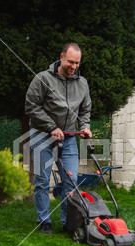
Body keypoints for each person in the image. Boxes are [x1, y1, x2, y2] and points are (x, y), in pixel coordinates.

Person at [25, 43, 92, 234]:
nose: (73, 66)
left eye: (77, 63)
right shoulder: (43, 78)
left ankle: (67, 222)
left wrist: (85, 126)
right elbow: (31, 106)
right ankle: (44, 220)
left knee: (70, 182)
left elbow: (85, 109)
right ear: (61, 57)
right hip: (41, 135)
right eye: (70, 62)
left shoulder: (82, 83)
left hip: (69, 138)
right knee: (42, 180)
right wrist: (51, 126)